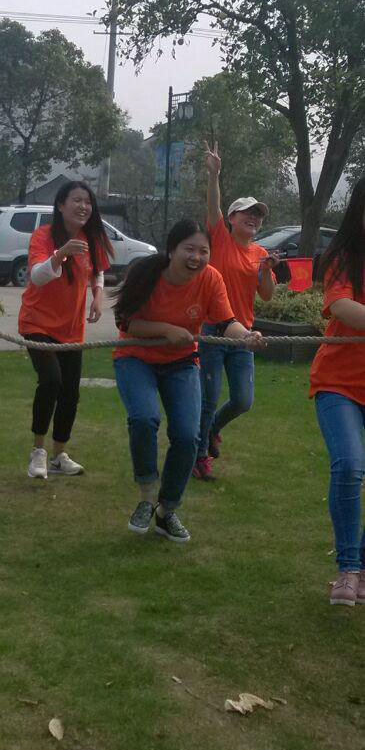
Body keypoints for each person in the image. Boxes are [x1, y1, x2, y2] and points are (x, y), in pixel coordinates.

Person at [113, 218, 264, 542]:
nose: (196, 257)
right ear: (172, 250)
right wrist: (166, 330)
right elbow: (125, 323)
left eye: (203, 251)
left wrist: (246, 336)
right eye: (189, 249)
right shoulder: (145, 273)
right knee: (144, 418)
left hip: (181, 363)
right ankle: (146, 499)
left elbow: (226, 323)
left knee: (187, 435)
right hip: (135, 358)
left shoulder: (211, 278)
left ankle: (166, 511)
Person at [194, 142, 277, 481]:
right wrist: (214, 174)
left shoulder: (260, 253)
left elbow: (267, 295)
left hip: (243, 334)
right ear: (231, 219)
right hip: (212, 331)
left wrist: (266, 271)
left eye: (258, 215)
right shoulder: (220, 239)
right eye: (247, 213)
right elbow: (212, 205)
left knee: (243, 400)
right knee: (209, 397)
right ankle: (199, 457)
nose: (254, 218)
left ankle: (213, 429)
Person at [18, 180, 113, 479]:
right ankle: (38, 452)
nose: (83, 206)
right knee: (51, 381)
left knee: (70, 392)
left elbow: (98, 270)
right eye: (76, 200)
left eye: (88, 201)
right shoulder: (43, 236)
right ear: (60, 205)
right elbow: (37, 276)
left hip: (71, 329)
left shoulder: (91, 238)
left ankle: (59, 455)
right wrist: (60, 254)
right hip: (37, 322)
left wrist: (97, 295)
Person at [310, 176, 365, 606]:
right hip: (338, 383)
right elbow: (341, 305)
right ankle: (348, 568)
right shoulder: (344, 256)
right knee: (348, 465)